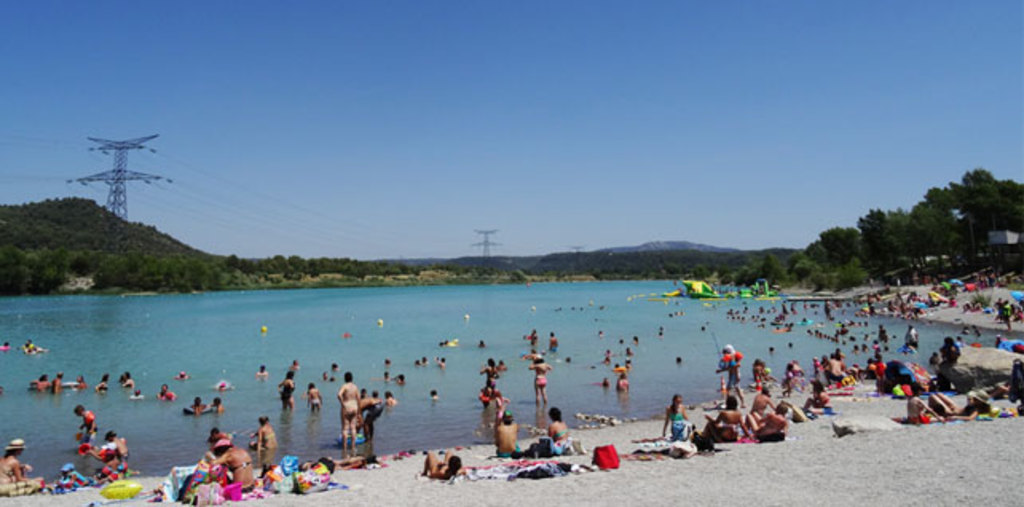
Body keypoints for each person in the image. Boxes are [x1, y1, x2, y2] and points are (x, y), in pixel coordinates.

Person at [338, 372, 361, 456]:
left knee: (345, 428)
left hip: (346, 406)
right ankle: (353, 447)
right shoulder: (355, 387)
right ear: (352, 378)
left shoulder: (344, 386)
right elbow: (358, 399)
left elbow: (339, 394)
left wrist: (342, 403)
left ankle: (344, 449)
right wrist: (359, 411)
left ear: (345, 378)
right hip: (354, 406)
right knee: (353, 428)